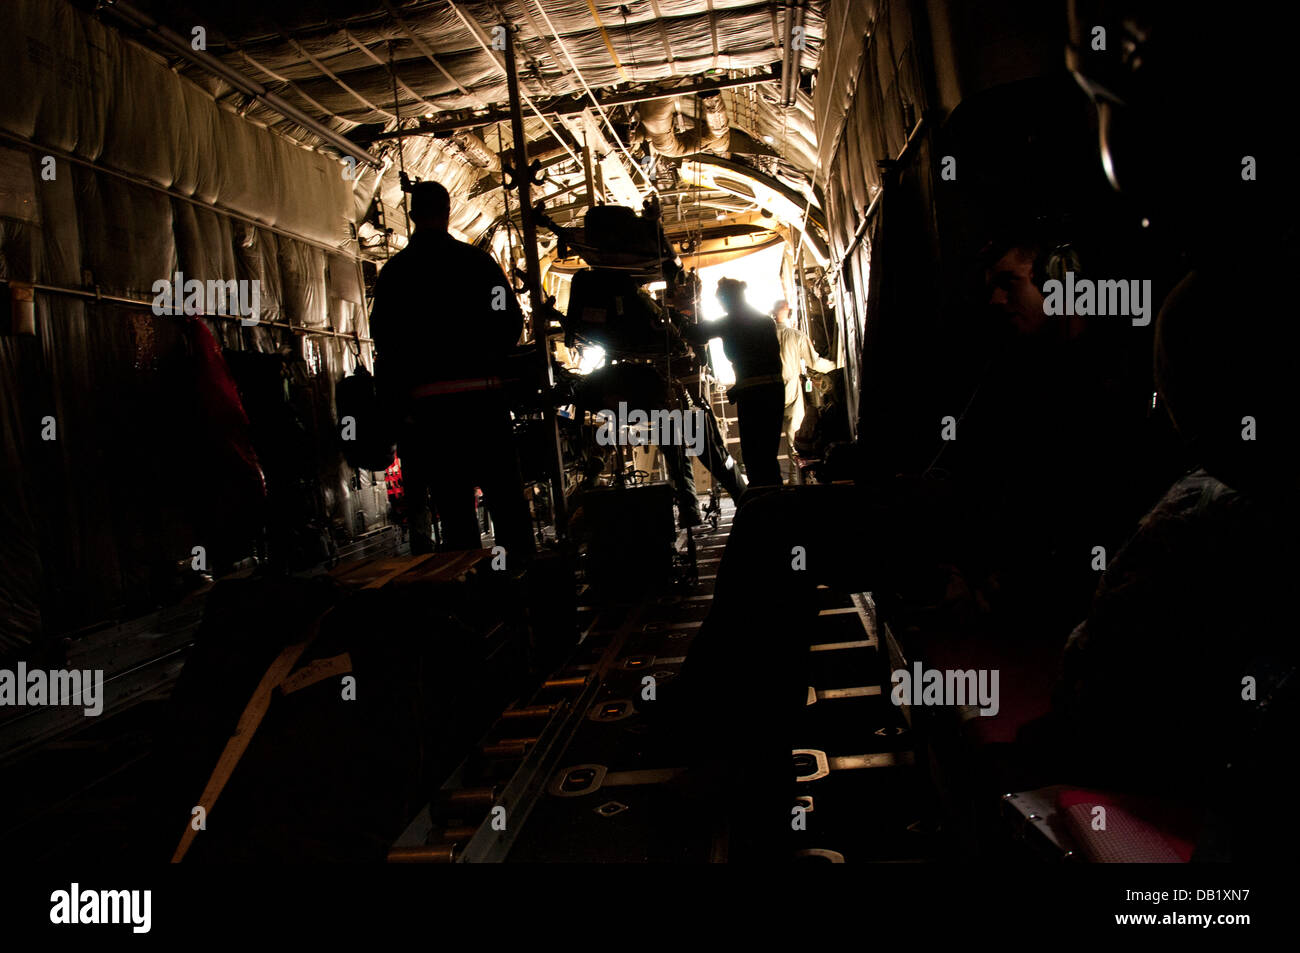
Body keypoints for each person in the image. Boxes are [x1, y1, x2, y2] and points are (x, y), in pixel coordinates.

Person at [369, 181, 533, 559]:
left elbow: (386, 344)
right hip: (483, 401)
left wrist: (401, 411)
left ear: (412, 216)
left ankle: (473, 592)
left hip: (431, 412)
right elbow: (509, 321)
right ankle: (521, 582)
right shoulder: (478, 264)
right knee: (506, 500)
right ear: (448, 211)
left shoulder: (395, 274)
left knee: (455, 510)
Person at [687, 278, 784, 488]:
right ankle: (774, 498)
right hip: (773, 391)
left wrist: (676, 315)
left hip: (753, 394)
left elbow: (695, 333)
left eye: (720, 300)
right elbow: (763, 362)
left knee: (754, 453)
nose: (721, 305)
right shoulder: (764, 321)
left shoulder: (730, 322)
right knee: (766, 452)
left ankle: (764, 500)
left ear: (728, 298)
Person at [772, 299, 835, 484]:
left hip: (771, 393)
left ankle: (773, 486)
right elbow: (814, 363)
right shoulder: (796, 336)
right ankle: (796, 483)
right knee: (796, 443)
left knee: (768, 448)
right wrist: (837, 364)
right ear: (789, 312)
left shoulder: (764, 336)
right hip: (792, 392)